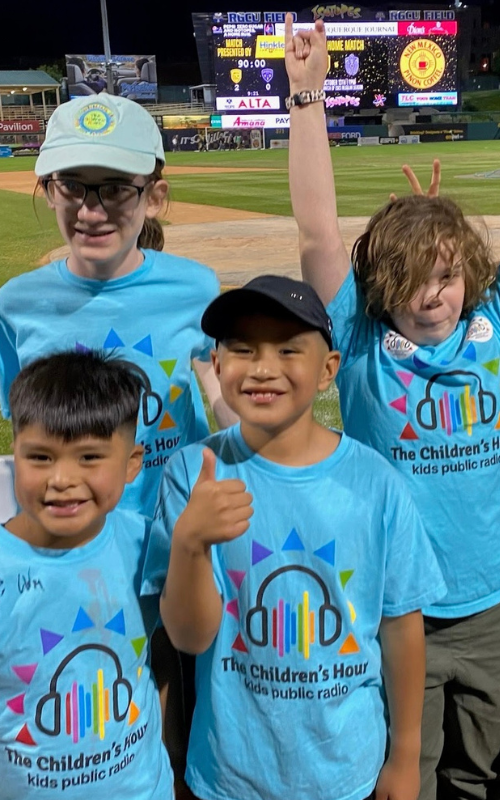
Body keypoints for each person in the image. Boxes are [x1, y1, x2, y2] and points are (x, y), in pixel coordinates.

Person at [285, 14, 500, 800]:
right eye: (407, 278)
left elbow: (457, 264)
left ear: (469, 272)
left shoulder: (490, 320)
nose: (429, 295)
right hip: (394, 609)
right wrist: (307, 100)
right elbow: (316, 230)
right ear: (378, 291)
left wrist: (435, 228)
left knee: (480, 774)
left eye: (444, 274)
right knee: (398, 774)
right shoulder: (364, 342)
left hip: (492, 609)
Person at [142, 275, 446, 800]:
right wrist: (190, 542)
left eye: (287, 349)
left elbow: (400, 627)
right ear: (216, 365)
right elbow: (189, 639)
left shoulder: (375, 483)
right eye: (242, 349)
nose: (263, 368)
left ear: (328, 369)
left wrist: (405, 754)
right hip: (231, 774)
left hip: (347, 769)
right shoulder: (193, 473)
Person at [0, 91, 232, 519]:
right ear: (49, 191)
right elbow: (25, 423)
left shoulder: (194, 287)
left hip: (178, 532)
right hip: (75, 543)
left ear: (154, 196)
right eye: (71, 185)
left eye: (116, 188)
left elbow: (219, 382)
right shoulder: (15, 305)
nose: (91, 212)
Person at [0, 350, 172, 799]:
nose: (62, 479)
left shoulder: (147, 544)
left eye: (89, 457)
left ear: (133, 463)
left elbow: (163, 657)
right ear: (14, 453)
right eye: (40, 457)